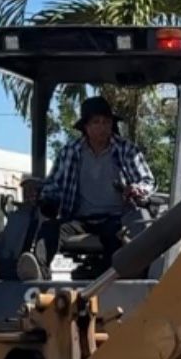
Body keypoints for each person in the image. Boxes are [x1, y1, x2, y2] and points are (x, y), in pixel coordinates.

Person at [17, 96, 155, 280]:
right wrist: (40, 192)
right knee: (51, 229)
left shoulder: (126, 150)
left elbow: (147, 180)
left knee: (115, 237)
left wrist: (137, 189)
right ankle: (38, 273)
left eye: (106, 122)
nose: (102, 127)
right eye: (96, 122)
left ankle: (111, 279)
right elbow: (55, 185)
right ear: (86, 127)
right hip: (80, 218)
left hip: (116, 218)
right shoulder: (70, 152)